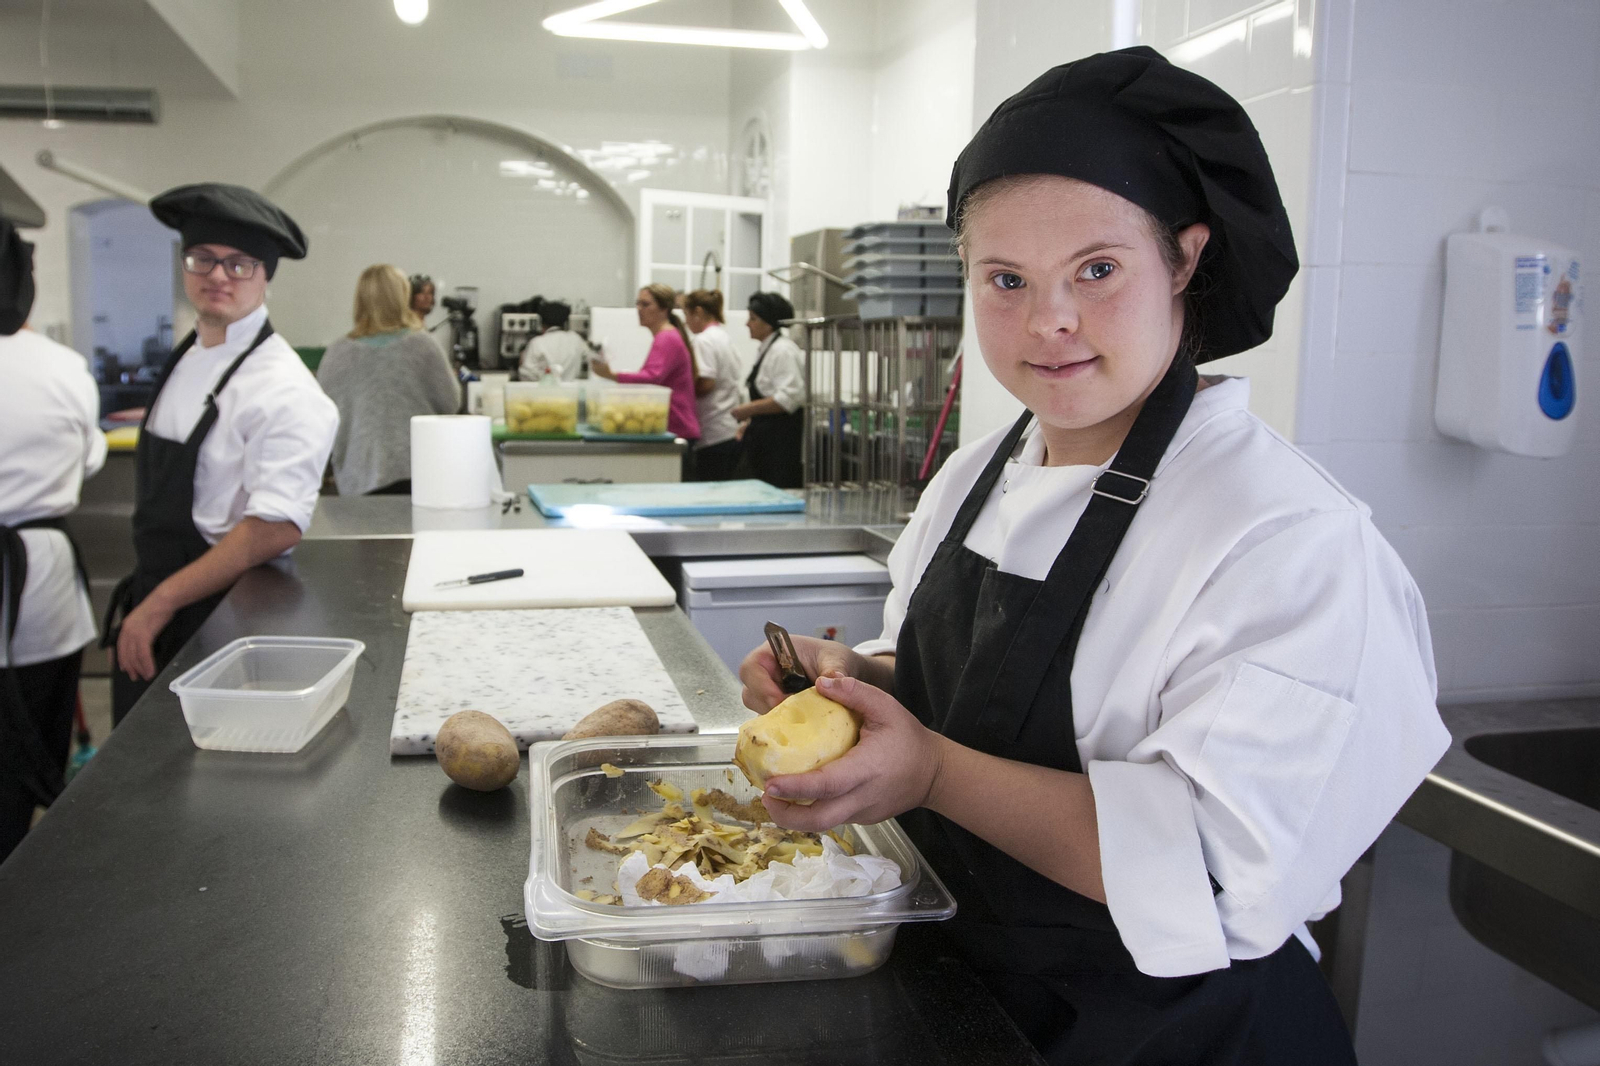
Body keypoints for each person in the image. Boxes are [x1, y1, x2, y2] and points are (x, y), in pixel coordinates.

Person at [737, 47, 1448, 1065]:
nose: (1048, 320)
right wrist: (859, 684)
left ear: (1186, 260)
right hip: (973, 998)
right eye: (1006, 278)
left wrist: (929, 769)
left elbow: (1204, 864)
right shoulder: (975, 475)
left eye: (1096, 269)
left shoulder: (1286, 539)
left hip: (1175, 1035)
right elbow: (980, 690)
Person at [104, 184, 338, 725]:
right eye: (202, 259)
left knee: (197, 784)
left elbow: (274, 527)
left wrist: (159, 602)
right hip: (160, 600)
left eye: (239, 264)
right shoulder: (192, 352)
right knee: (136, 783)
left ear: (265, 275)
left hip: (225, 618)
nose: (217, 276)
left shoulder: (286, 389)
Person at [0, 218, 106, 862]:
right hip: (39, 584)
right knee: (36, 743)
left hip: (31, 576)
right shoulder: (60, 366)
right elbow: (88, 458)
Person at [317, 265, 459, 496]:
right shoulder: (424, 345)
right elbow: (451, 403)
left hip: (357, 480)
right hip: (419, 476)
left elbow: (321, 420)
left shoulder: (336, 353)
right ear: (403, 297)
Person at [589, 284, 701, 478]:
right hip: (674, 426)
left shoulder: (666, 338)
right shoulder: (667, 336)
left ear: (664, 309)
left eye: (646, 304)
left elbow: (651, 378)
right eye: (638, 304)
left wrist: (612, 375)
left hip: (676, 427)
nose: (639, 309)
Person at [732, 291, 805, 489]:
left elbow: (789, 397)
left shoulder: (783, 350)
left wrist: (748, 409)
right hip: (766, 441)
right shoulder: (767, 349)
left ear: (769, 323)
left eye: (753, 319)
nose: (748, 324)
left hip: (781, 445)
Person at [681, 289, 744, 481]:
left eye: (687, 315)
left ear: (698, 312)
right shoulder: (724, 338)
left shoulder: (703, 340)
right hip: (728, 428)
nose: (686, 322)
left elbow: (707, 382)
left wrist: (683, 393)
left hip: (713, 431)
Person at [518, 300, 590, 382]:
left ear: (542, 324)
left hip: (544, 392)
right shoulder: (576, 340)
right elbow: (592, 360)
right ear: (566, 323)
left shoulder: (537, 343)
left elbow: (526, 374)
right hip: (571, 391)